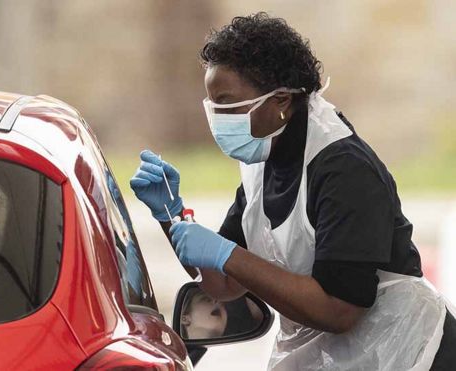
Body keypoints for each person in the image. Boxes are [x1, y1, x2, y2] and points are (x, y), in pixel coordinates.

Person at [130, 12, 455, 370]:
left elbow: (339, 310)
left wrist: (227, 253)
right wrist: (171, 215)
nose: (219, 120)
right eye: (213, 106)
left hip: (408, 351)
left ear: (281, 100)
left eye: (228, 105)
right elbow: (223, 285)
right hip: (334, 355)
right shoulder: (262, 159)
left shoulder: (344, 170)